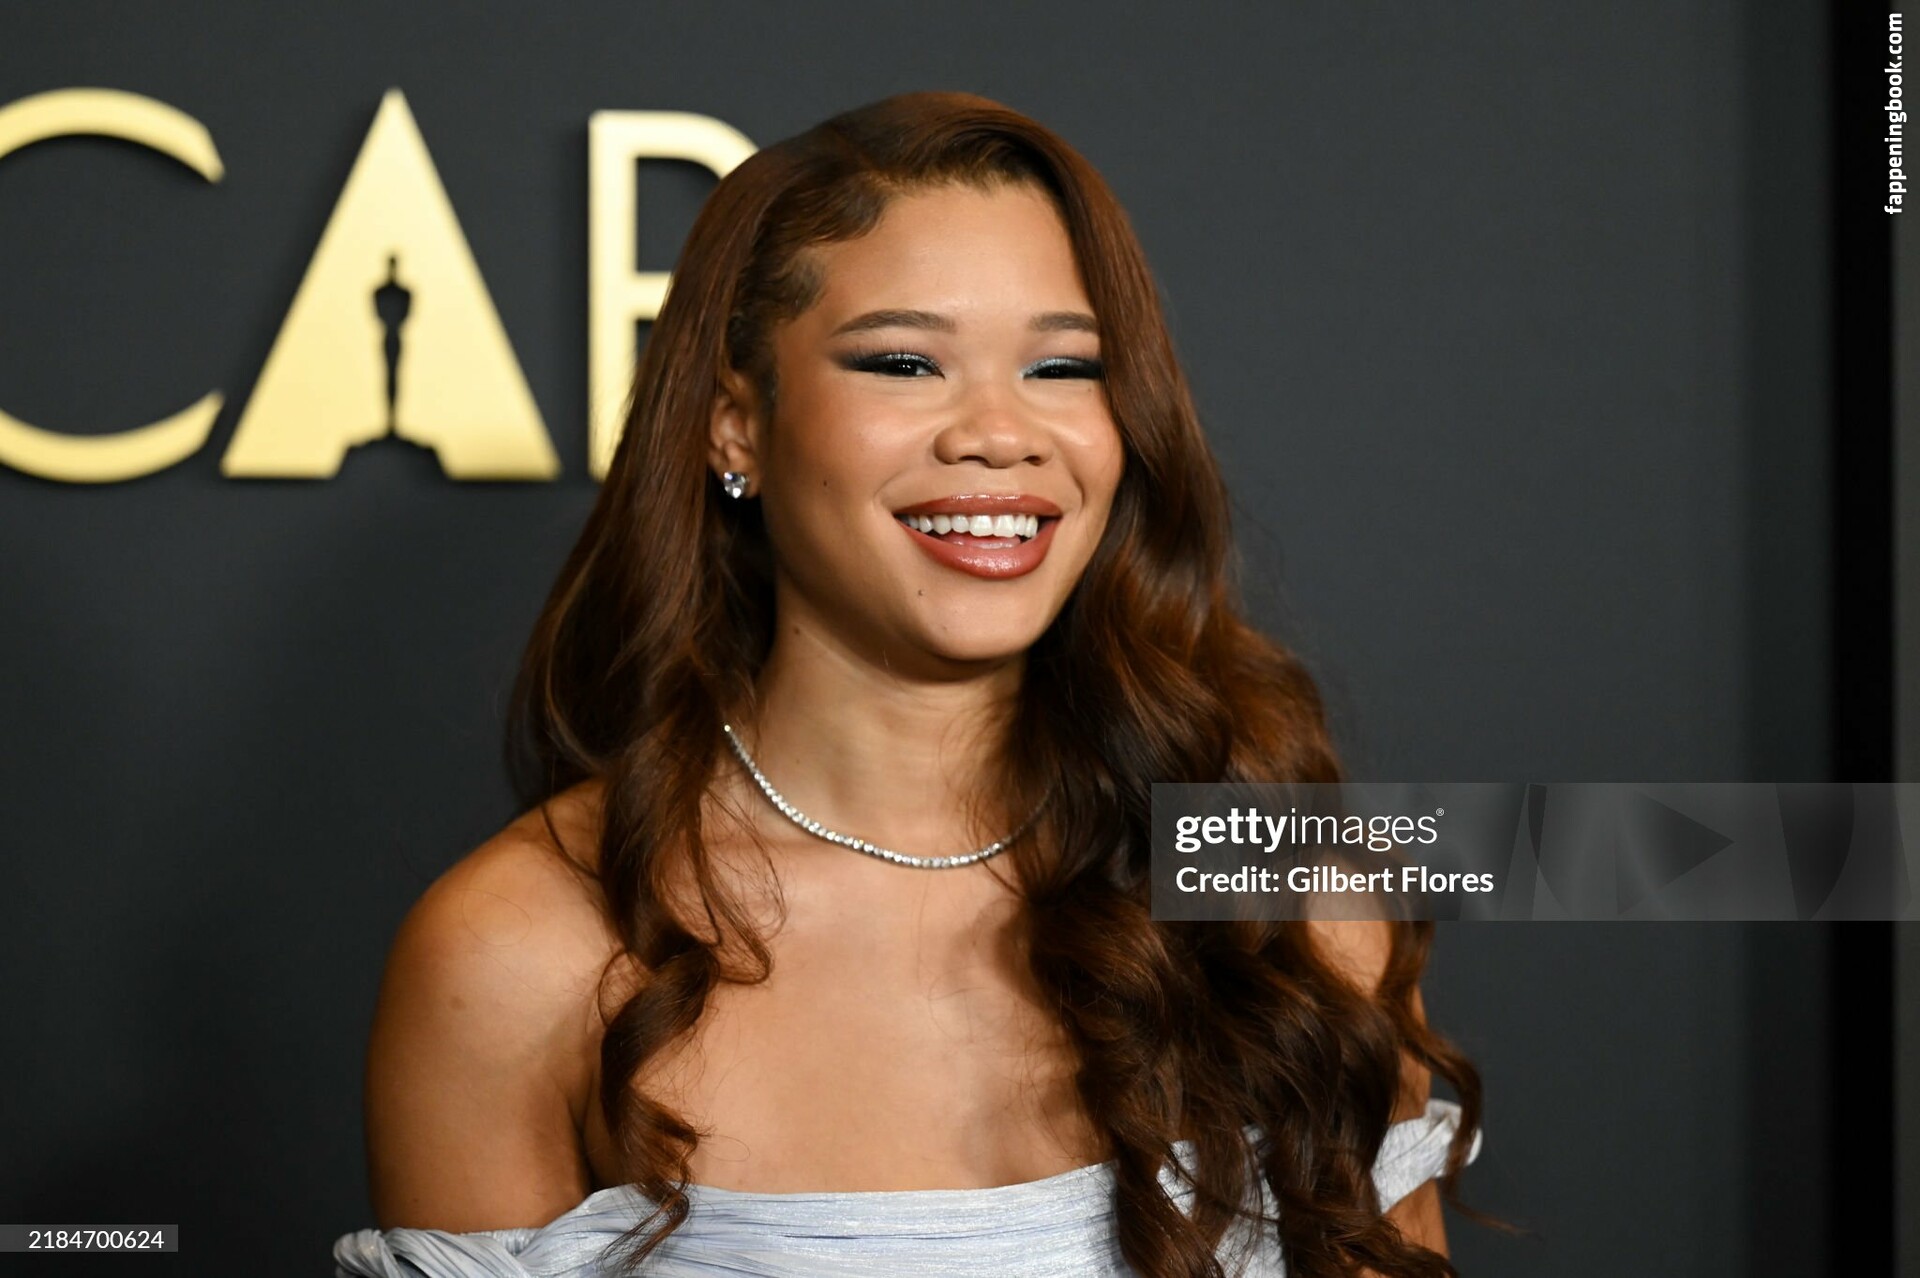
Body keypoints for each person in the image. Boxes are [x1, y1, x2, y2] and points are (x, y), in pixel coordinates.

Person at [333, 90, 1487, 1278]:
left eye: (1063, 366)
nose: (1000, 432)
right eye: (903, 362)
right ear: (735, 426)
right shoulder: (520, 953)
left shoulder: (1283, 890)